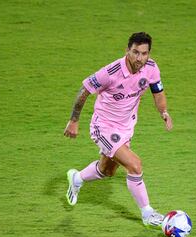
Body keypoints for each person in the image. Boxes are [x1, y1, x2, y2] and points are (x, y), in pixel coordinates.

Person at [63, 32, 173, 226]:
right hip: (103, 127)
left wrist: (164, 112)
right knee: (135, 165)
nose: (139, 58)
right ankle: (147, 213)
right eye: (135, 52)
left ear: (149, 54)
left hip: (126, 128)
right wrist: (74, 120)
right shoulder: (111, 72)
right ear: (127, 51)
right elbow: (84, 90)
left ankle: (77, 178)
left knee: (107, 170)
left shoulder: (151, 68)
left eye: (144, 53)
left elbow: (158, 91)